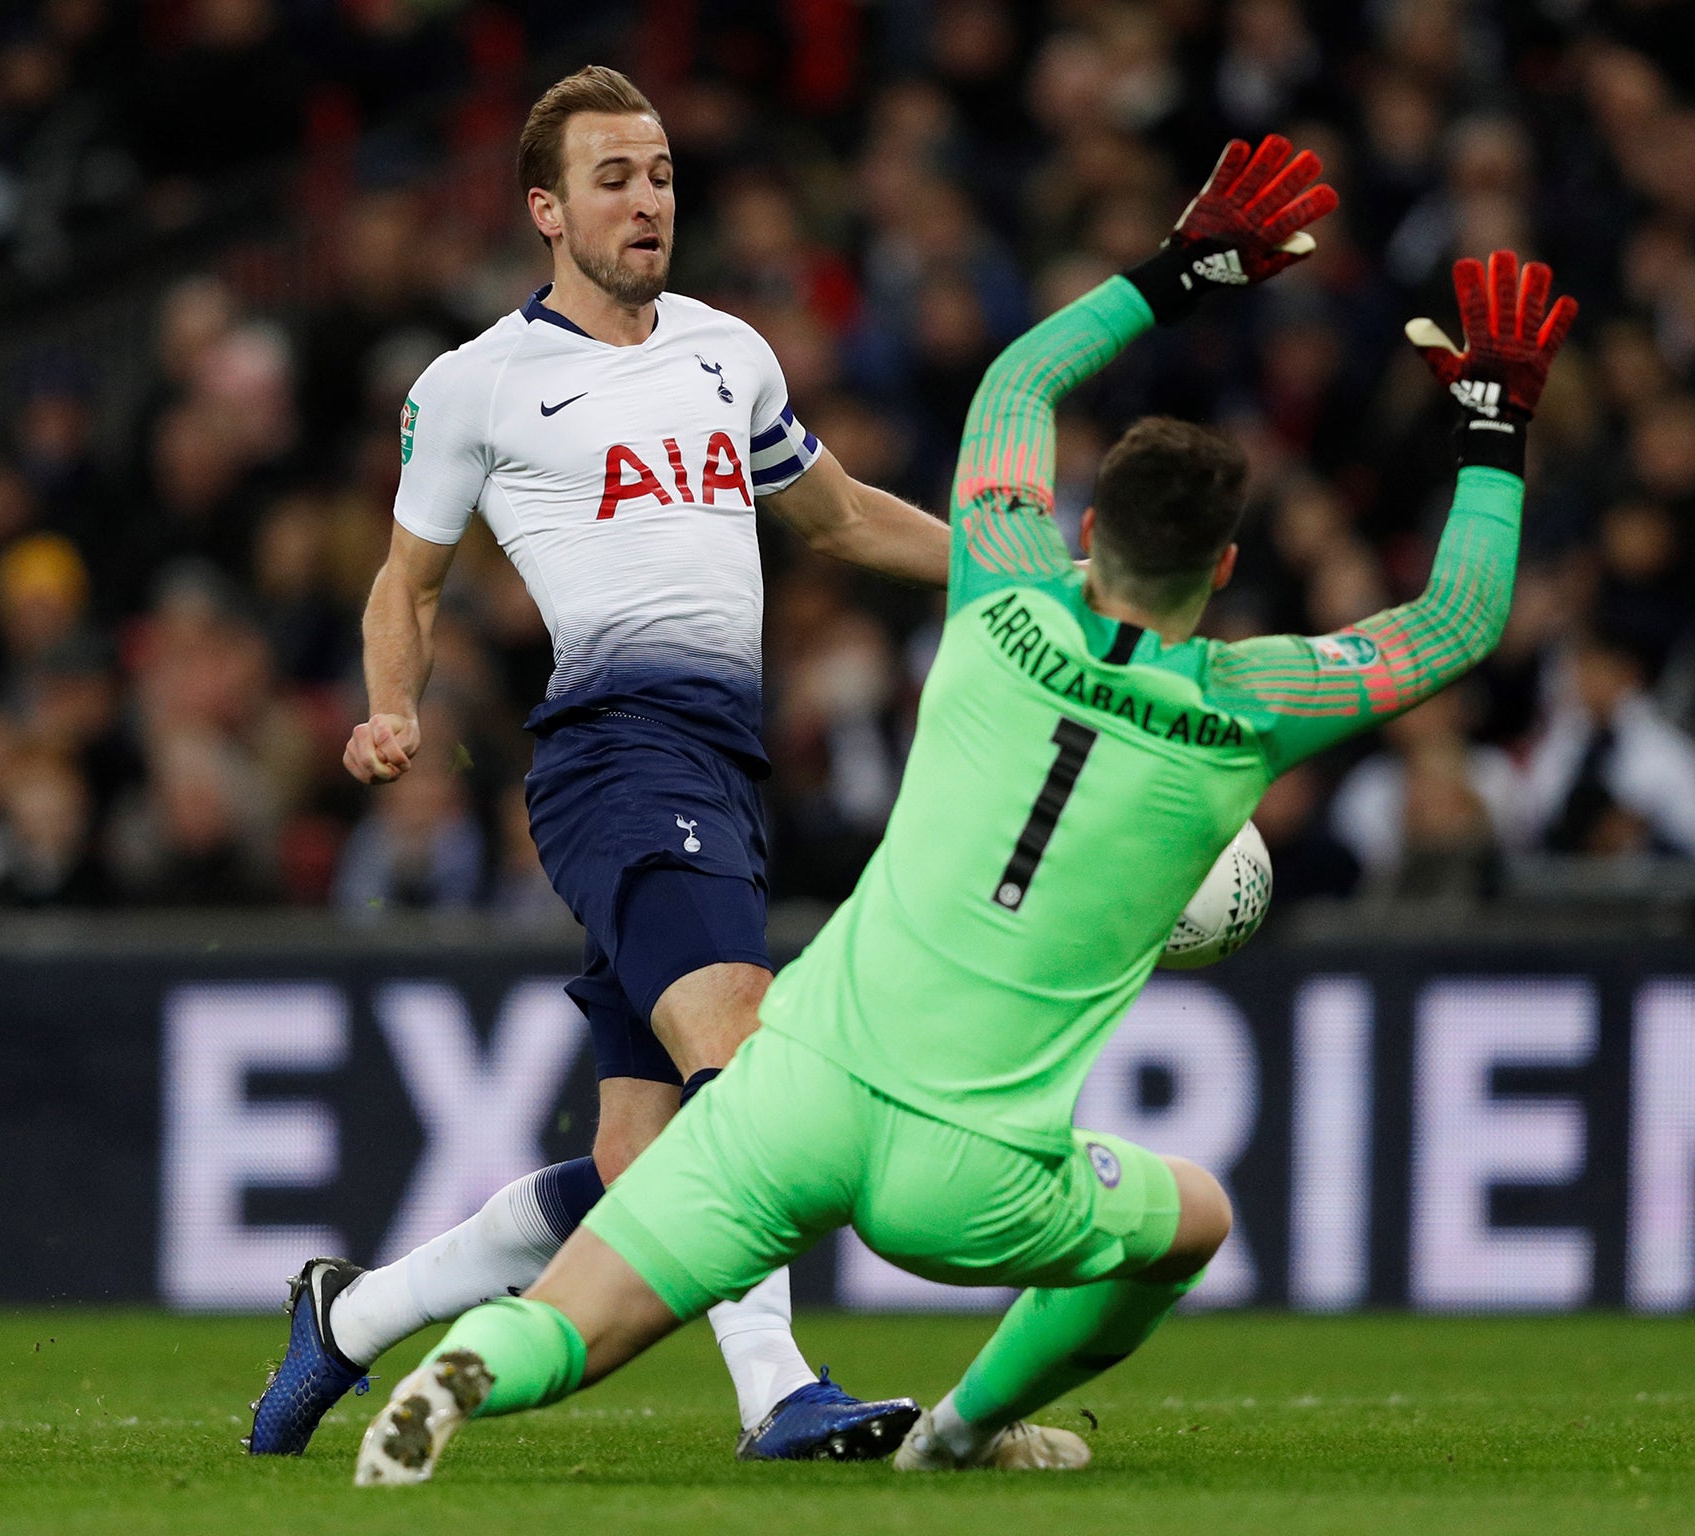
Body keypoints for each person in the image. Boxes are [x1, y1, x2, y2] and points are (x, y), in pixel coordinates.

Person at [349, 155, 1575, 1485]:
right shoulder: (1243, 706)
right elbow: (1452, 627)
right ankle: (964, 1430)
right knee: (1191, 1220)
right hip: (970, 1174)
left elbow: (1020, 384)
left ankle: (469, 1367)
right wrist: (1494, 429)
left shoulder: (995, 597)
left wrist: (1180, 271)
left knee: (581, 1319)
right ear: (1222, 572)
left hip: (802, 1091)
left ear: (1083, 528)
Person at [247, 66, 950, 1462]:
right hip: (615, 755)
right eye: (614, 179)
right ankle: (778, 1394)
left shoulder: (728, 351)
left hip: (723, 763)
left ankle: (350, 1315)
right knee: (744, 1073)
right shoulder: (475, 385)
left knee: (644, 1167)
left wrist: (1031, 568)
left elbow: (842, 518)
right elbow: (409, 580)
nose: (648, 201)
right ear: (546, 210)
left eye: (663, 175)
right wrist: (393, 705)